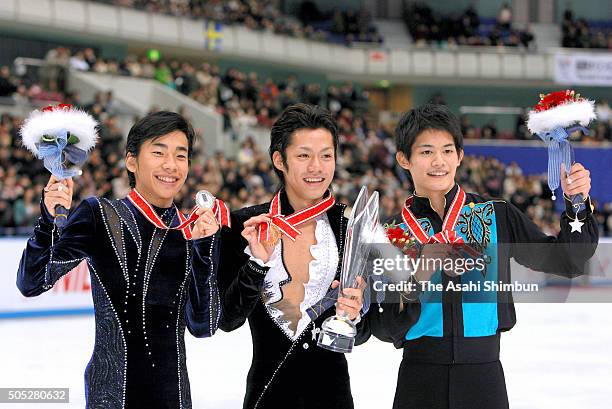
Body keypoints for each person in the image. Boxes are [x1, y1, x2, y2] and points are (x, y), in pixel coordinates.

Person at [365, 103, 598, 409]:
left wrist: (576, 204)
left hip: (484, 380)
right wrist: (419, 276)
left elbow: (567, 261)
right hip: (418, 381)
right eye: (426, 152)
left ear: (460, 156)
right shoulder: (393, 234)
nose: (439, 161)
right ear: (403, 159)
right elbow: (383, 327)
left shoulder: (496, 215)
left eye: (448, 151)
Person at [17, 111, 222, 408]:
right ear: (131, 161)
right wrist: (48, 220)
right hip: (111, 396)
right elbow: (31, 283)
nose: (171, 165)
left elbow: (204, 326)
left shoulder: (192, 231)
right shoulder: (100, 215)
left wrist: (205, 250)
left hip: (174, 398)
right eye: (158, 152)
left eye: (181, 155)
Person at [218, 103, 367, 409]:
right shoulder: (244, 226)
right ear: (279, 159)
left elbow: (362, 333)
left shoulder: (348, 230)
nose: (317, 167)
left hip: (334, 397)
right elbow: (227, 319)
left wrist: (355, 312)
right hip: (267, 395)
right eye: (303, 156)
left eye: (326, 155)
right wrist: (257, 264)